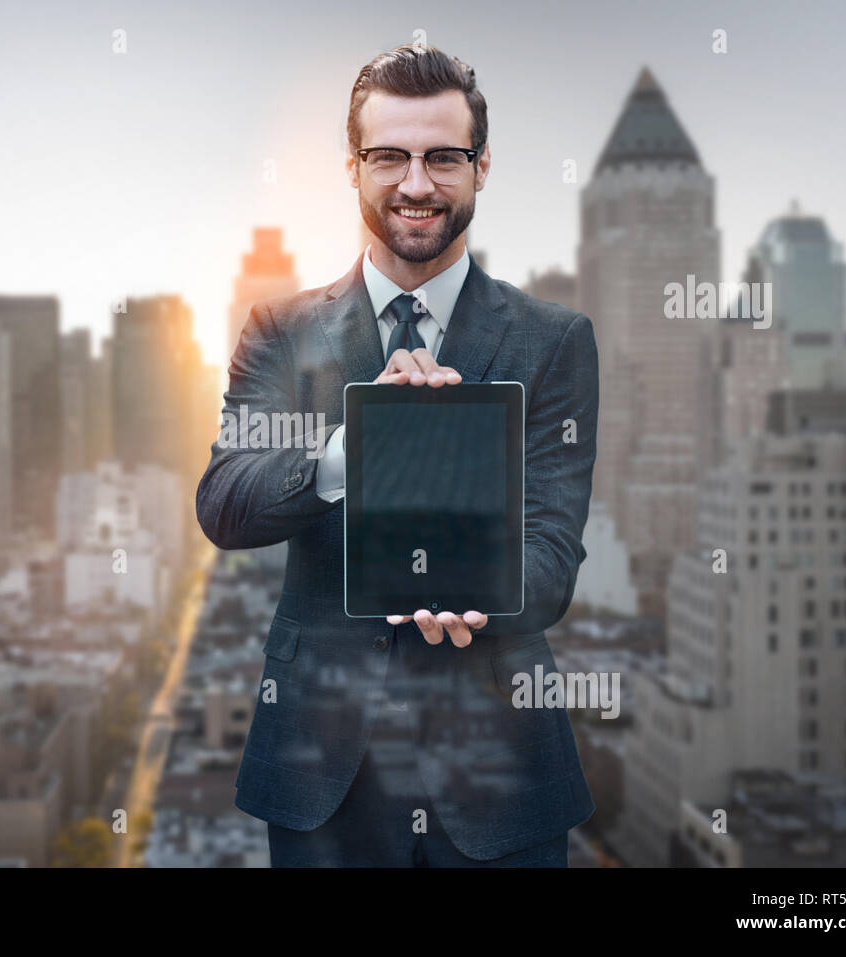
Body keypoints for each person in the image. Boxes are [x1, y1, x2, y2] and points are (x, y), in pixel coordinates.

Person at [196, 42, 599, 867]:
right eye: (389, 157)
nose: (416, 184)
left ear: (481, 167)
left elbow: (553, 558)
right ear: (353, 168)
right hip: (322, 774)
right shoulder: (282, 331)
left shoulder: (554, 342)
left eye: (443, 157)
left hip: (503, 777)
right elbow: (226, 501)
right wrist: (361, 443)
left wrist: (481, 599)